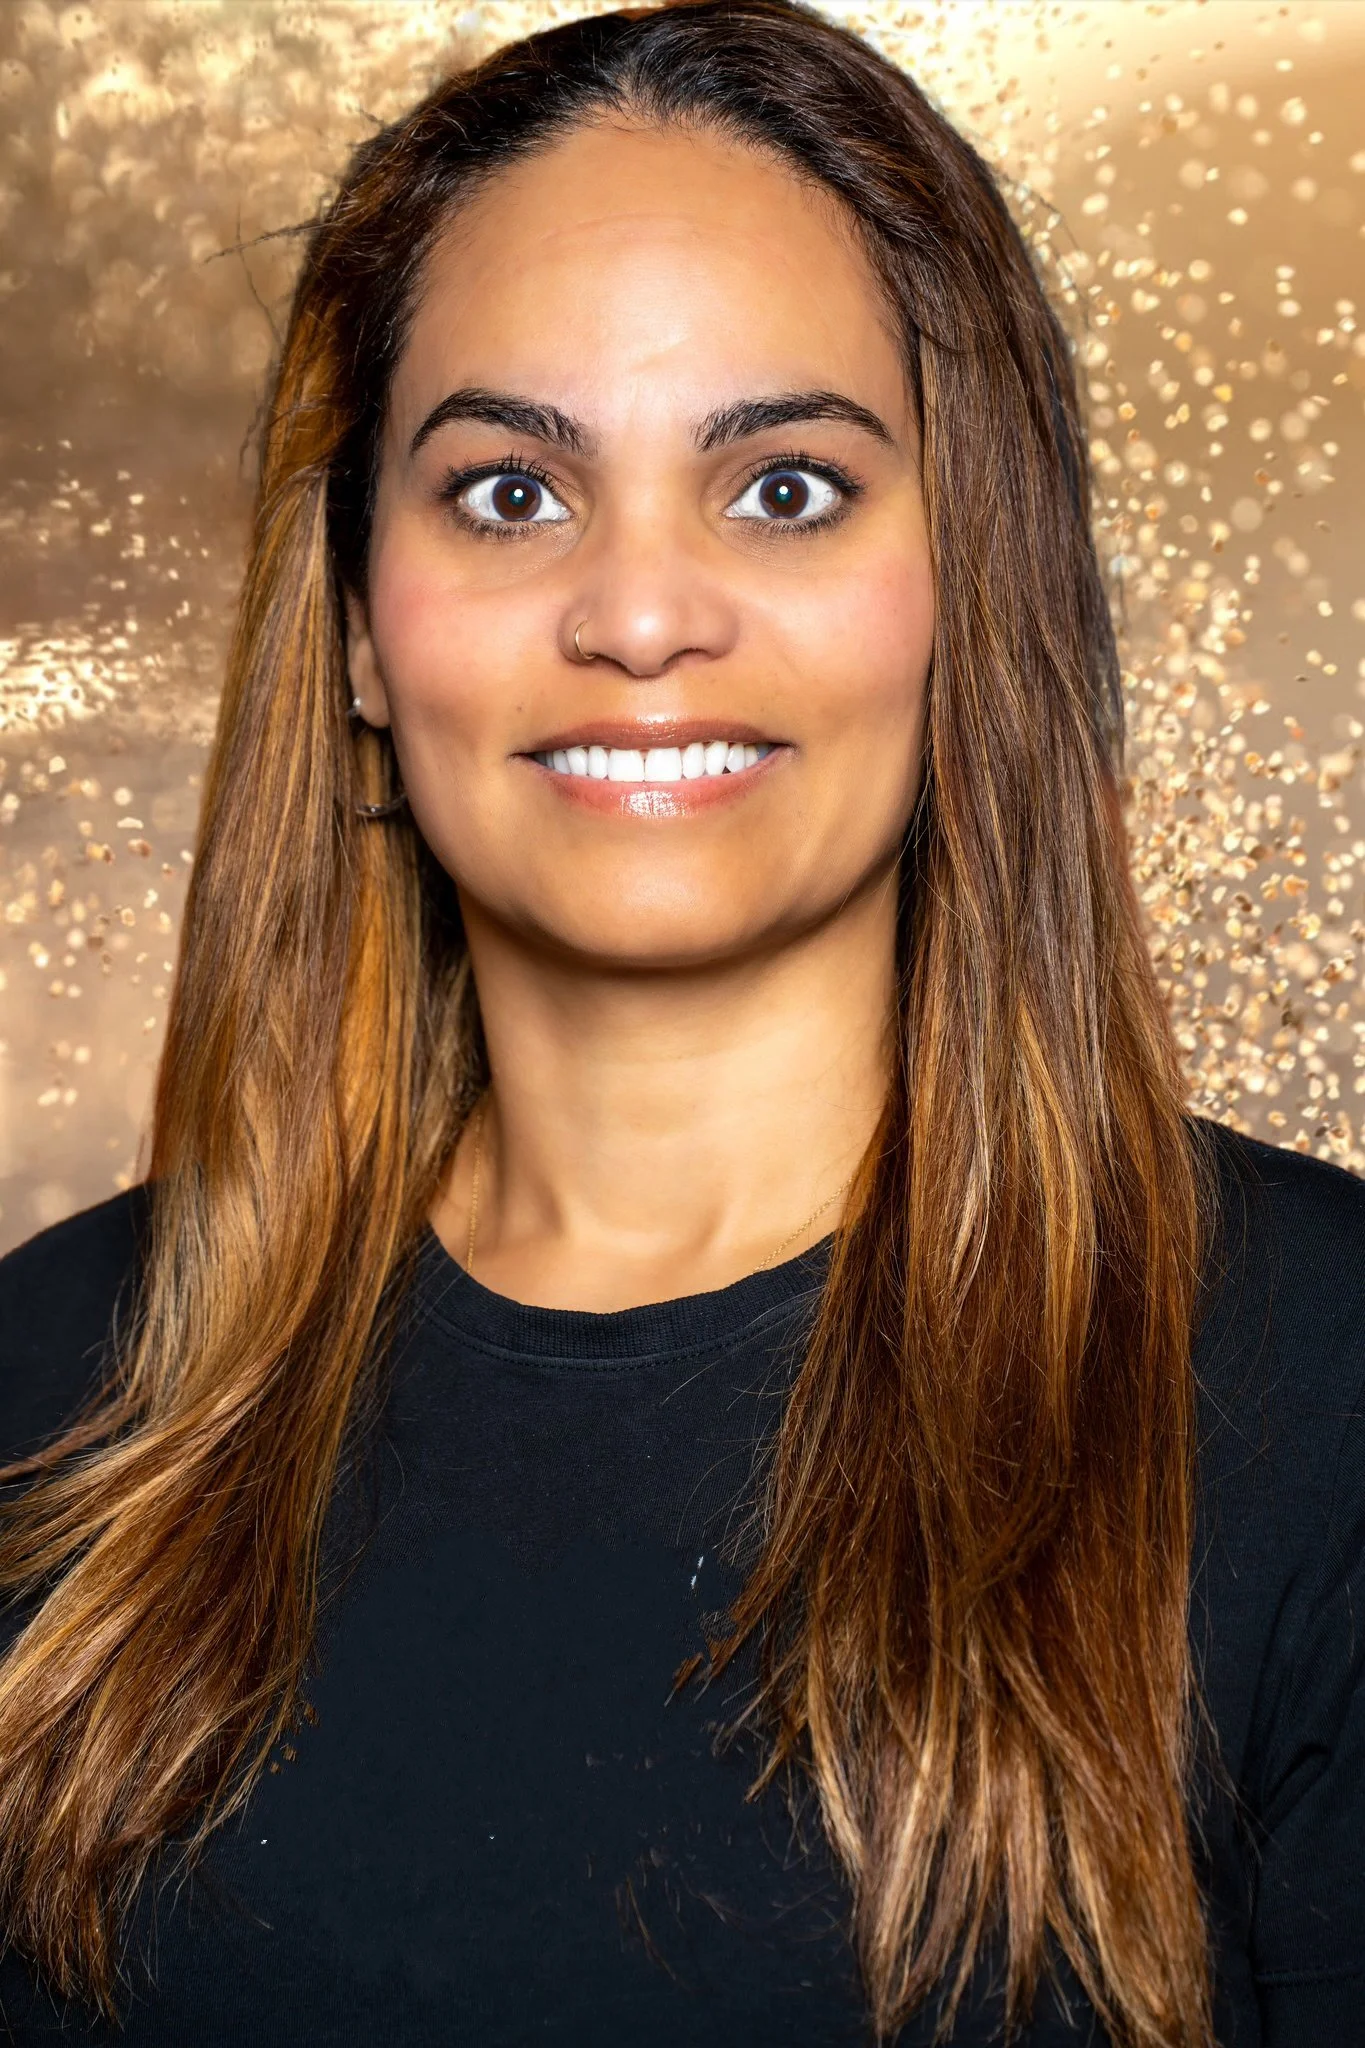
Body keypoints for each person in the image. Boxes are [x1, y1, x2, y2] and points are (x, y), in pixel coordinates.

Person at [0, 2, 1361, 2041]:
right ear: (364, 628)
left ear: (970, 579)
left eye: (788, 488)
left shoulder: (1327, 1398)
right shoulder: (52, 1398)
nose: (641, 616)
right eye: (509, 494)